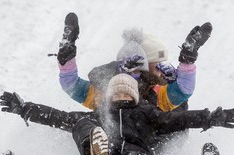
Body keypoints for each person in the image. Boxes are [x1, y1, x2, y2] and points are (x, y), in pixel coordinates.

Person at [0, 74, 234, 155]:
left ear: (134, 96)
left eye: (125, 93)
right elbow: (56, 116)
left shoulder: (147, 112)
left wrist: (210, 117)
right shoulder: (101, 115)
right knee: (78, 131)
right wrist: (24, 107)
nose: (120, 96)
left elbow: (178, 119)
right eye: (116, 93)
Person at [56, 12, 212, 113]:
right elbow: (71, 84)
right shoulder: (110, 90)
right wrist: (67, 56)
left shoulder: (158, 91)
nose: (161, 68)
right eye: (156, 63)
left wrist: (187, 59)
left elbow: (183, 92)